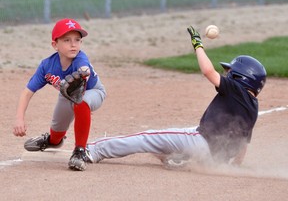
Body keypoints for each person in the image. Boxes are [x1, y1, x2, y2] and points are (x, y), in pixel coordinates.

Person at [85, 26, 267, 168]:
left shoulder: (236, 89)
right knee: (183, 133)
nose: (226, 74)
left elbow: (208, 71)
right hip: (213, 158)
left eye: (230, 72)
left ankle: (94, 150)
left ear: (240, 77)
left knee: (147, 138)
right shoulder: (253, 107)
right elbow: (243, 145)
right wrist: (233, 168)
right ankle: (179, 159)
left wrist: (198, 45)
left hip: (200, 143)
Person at [13, 18, 106, 171]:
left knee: (81, 102)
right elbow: (27, 92)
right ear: (55, 45)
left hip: (93, 91)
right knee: (56, 136)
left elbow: (85, 70)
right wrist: (19, 119)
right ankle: (52, 140)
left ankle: (79, 151)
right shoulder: (47, 65)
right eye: (67, 40)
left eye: (77, 39)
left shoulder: (80, 58)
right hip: (67, 94)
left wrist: (83, 73)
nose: (73, 44)